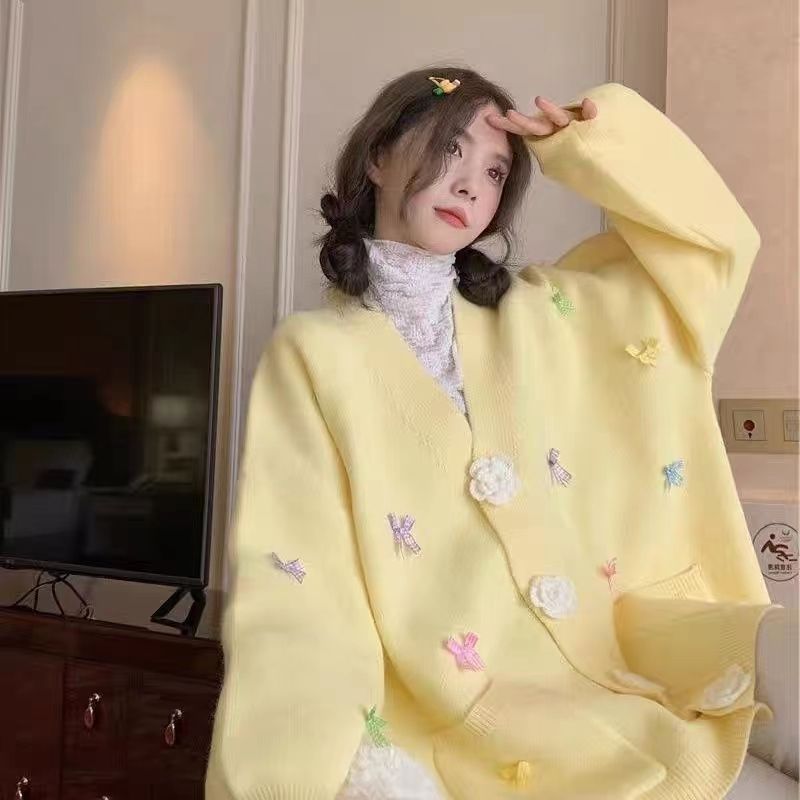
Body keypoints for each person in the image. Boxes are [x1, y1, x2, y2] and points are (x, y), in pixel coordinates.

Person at [205, 65, 791, 799]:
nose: (468, 185)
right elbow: (298, 592)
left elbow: (714, 251)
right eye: (448, 149)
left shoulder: (545, 312)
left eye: (493, 170)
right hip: (488, 729)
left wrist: (594, 145)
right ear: (378, 157)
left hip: (639, 665)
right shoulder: (314, 356)